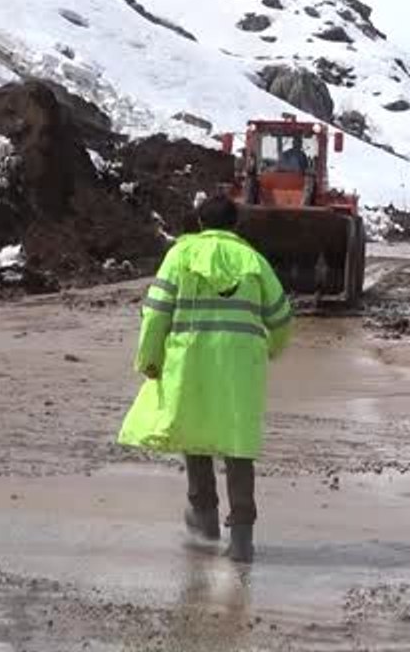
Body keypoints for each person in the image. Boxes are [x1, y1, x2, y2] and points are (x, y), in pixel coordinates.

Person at [118, 195, 292, 563]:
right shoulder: (253, 261)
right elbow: (281, 315)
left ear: (199, 222)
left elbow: (156, 311)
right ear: (236, 224)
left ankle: (204, 517)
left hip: (190, 363)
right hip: (240, 371)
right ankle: (242, 538)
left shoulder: (179, 257)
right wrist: (271, 349)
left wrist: (149, 358)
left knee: (194, 433)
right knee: (238, 445)